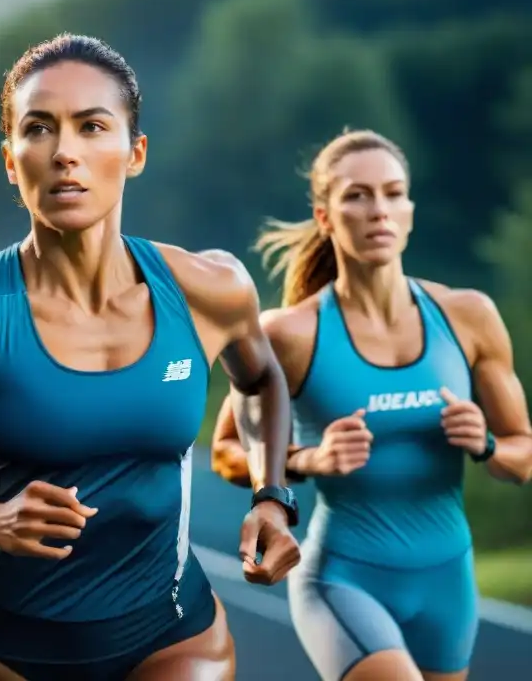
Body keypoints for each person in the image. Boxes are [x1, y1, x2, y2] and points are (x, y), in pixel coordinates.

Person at [0, 33, 302, 681]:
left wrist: (272, 497)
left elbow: (261, 381)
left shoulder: (211, 290)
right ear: (12, 161)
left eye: (92, 127)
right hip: (19, 652)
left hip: (174, 632)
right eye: (39, 130)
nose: (66, 153)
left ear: (135, 152)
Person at [209, 128, 532, 681]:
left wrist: (483, 442)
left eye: (392, 193)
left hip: (448, 582)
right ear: (326, 216)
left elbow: (522, 458)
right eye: (357, 195)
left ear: (409, 210)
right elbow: (226, 452)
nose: (378, 209)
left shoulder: (469, 316)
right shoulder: (290, 333)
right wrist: (310, 459)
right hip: (343, 578)